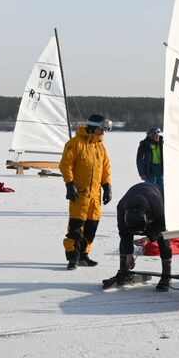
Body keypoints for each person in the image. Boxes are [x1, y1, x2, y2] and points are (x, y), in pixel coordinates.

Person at [59, 113, 113, 269]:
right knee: (76, 228)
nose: (103, 133)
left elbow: (105, 168)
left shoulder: (100, 147)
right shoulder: (75, 143)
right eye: (100, 130)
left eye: (104, 130)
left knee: (91, 227)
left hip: (95, 196)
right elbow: (65, 165)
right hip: (80, 194)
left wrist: (107, 186)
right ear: (92, 128)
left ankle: (83, 255)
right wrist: (70, 184)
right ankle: (73, 257)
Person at [104, 182, 173, 290]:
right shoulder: (121, 207)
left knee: (163, 238)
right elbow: (124, 234)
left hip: (156, 196)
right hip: (139, 197)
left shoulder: (156, 204)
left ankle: (166, 276)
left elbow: (162, 226)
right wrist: (128, 254)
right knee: (125, 237)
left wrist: (149, 238)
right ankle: (124, 272)